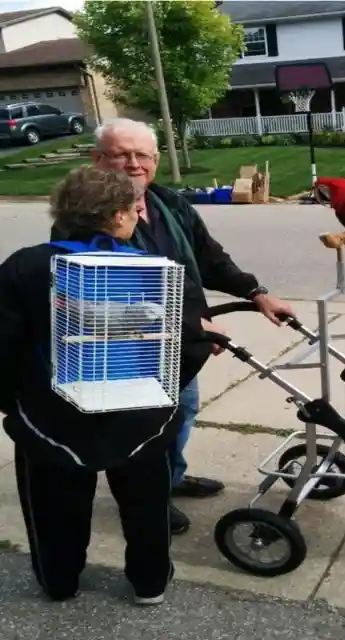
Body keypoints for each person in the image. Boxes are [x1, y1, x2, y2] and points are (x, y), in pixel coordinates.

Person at [50, 118, 295, 536]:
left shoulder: (170, 204)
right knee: (142, 427)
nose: (133, 163)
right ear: (97, 160)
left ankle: (171, 478)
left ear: (156, 160)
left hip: (186, 344)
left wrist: (257, 292)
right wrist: (187, 323)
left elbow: (210, 257)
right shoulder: (81, 221)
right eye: (120, 154)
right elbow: (111, 296)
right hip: (129, 350)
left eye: (142, 154)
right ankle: (149, 498)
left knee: (181, 412)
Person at [0, 166, 217, 605]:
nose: (139, 215)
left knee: (54, 511)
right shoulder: (160, 271)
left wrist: (14, 404)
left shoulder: (25, 266)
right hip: (142, 419)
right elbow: (191, 345)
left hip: (50, 420)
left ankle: (59, 583)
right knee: (146, 508)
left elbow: (2, 347)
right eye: (134, 209)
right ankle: (150, 584)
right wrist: (164, 395)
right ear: (117, 216)